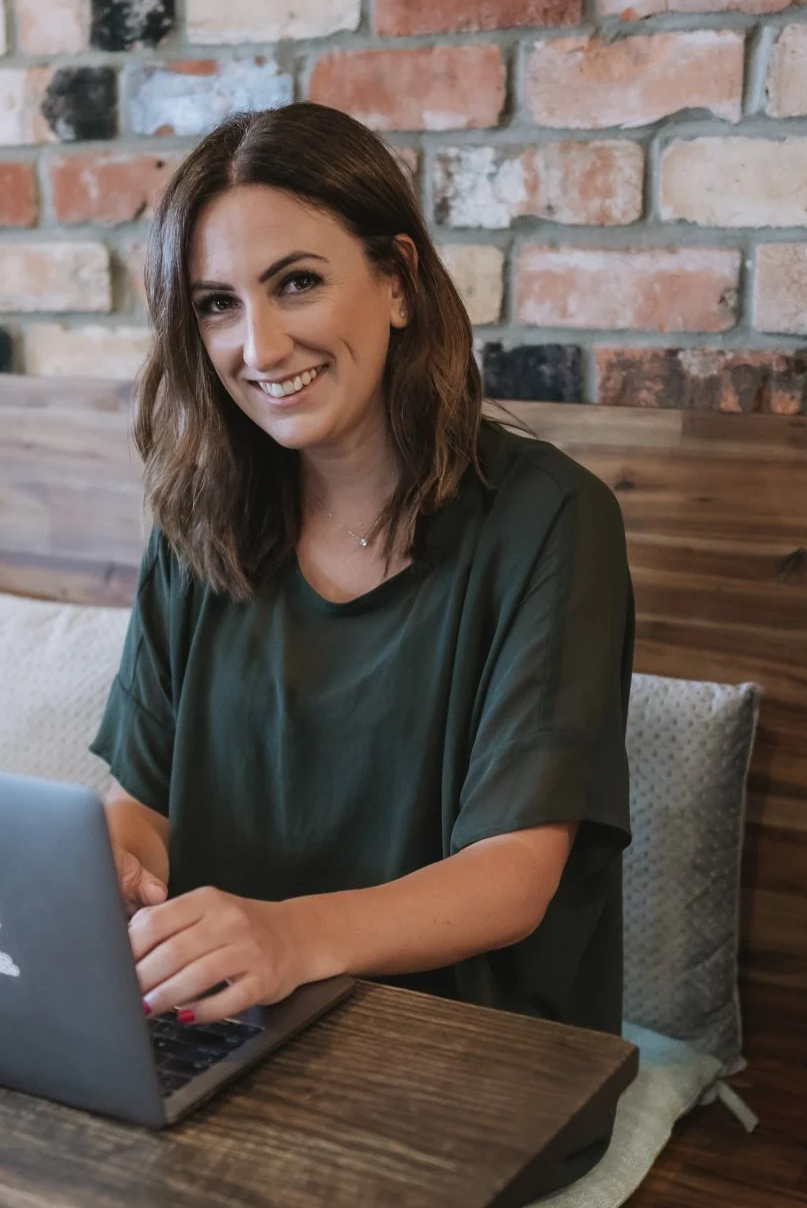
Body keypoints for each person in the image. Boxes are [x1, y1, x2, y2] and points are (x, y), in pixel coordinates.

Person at [91, 102, 634, 1052]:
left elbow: (514, 874)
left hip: (466, 1058)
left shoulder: (551, 521)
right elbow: (143, 801)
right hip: (226, 1032)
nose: (257, 349)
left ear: (396, 280)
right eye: (218, 303)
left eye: (295, 283)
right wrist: (115, 860)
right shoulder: (196, 521)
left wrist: (288, 936)